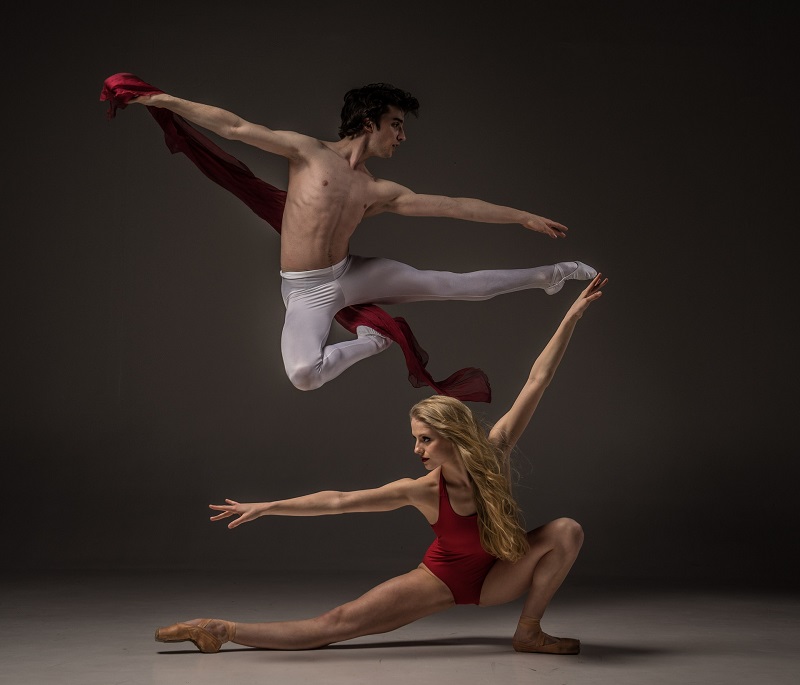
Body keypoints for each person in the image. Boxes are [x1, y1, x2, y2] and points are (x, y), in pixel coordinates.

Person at [154, 274, 607, 655]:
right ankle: (223, 629)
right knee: (338, 623)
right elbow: (338, 502)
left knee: (566, 529)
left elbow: (537, 379)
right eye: (416, 440)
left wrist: (570, 316)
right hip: (443, 581)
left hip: (500, 578)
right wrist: (269, 506)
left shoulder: (497, 449)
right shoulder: (424, 489)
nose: (418, 451)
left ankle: (528, 631)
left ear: (453, 438)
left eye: (425, 440)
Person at [123, 81, 596, 392]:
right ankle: (373, 342)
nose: (401, 137)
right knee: (304, 374)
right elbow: (234, 126)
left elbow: (455, 207)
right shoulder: (307, 153)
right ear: (369, 123)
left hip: (352, 275)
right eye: (397, 125)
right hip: (306, 290)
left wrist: (521, 217)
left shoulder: (378, 190)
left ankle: (552, 275)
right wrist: (160, 99)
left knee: (454, 284)